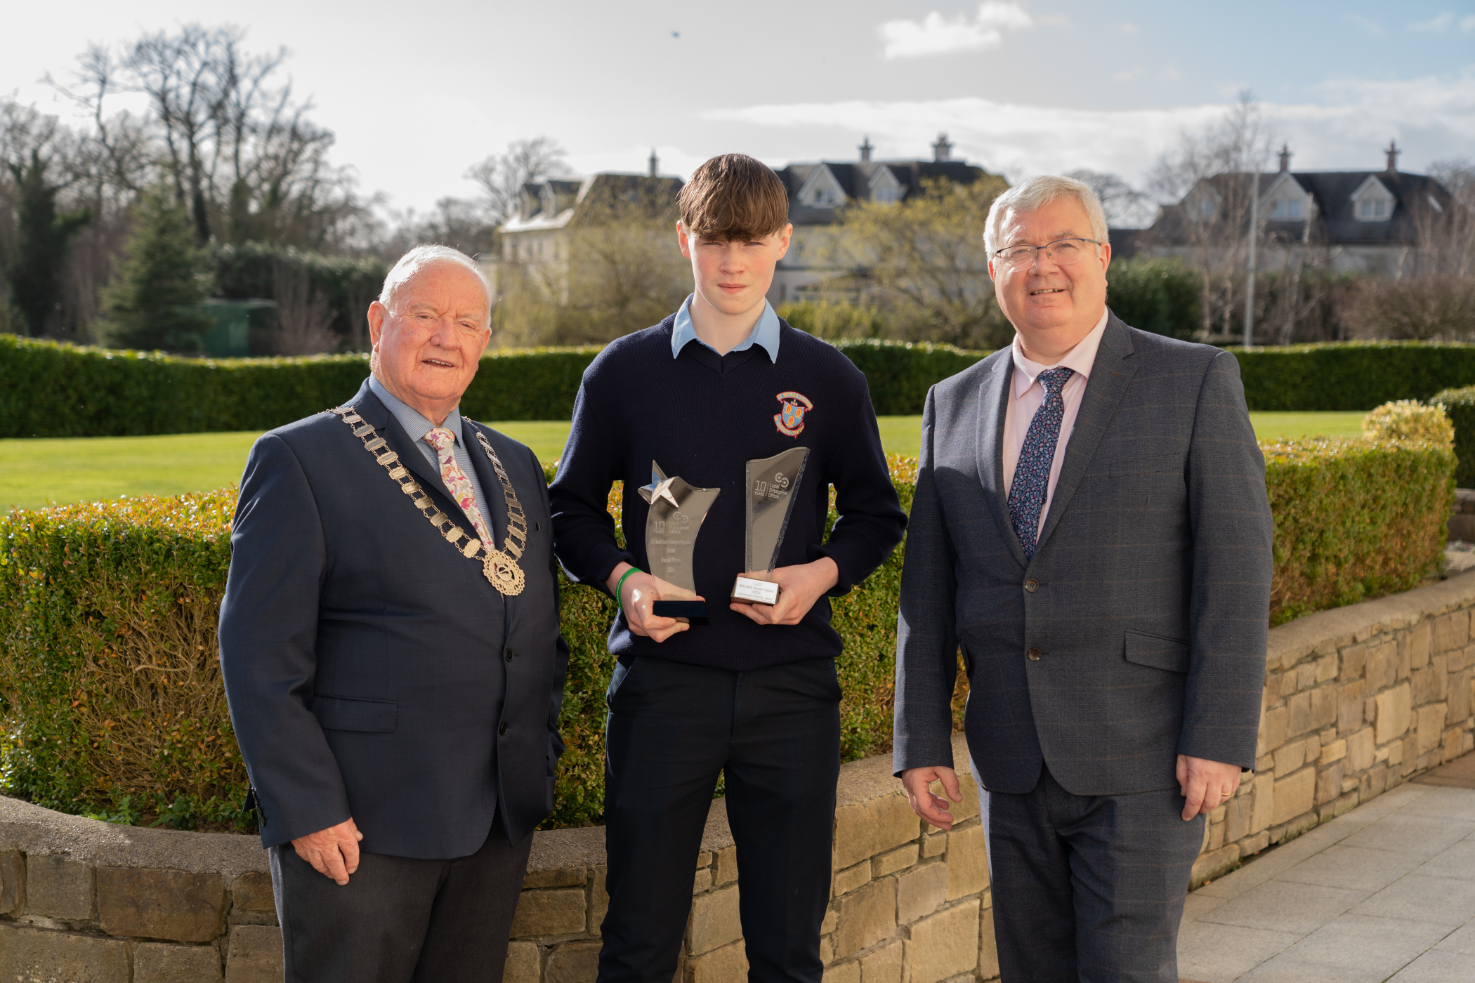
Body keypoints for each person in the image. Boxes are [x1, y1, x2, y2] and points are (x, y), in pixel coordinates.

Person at [892, 176, 1273, 982]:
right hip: (1009, 760)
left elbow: (1235, 573)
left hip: (1143, 757)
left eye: (1062, 243)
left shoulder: (1193, 380)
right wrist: (918, 739)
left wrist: (1218, 735)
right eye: (1018, 249)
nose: (1042, 265)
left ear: (1102, 256)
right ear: (993, 271)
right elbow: (926, 594)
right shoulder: (950, 404)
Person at [550, 153, 906, 983]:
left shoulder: (827, 377)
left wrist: (818, 574)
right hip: (661, 686)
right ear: (685, 239)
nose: (733, 260)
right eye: (714, 238)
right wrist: (624, 581)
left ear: (783, 238)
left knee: (786, 949)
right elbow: (568, 511)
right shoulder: (621, 372)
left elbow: (875, 514)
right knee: (637, 939)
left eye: (750, 239)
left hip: (790, 688)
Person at [219, 244, 568, 983]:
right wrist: (307, 807)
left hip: (494, 819)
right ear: (379, 322)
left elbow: (541, 633)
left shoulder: (517, 464)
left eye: (467, 322)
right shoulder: (298, 460)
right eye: (426, 315)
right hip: (360, 828)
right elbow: (258, 658)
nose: (447, 336)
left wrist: (535, 763)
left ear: (485, 343)